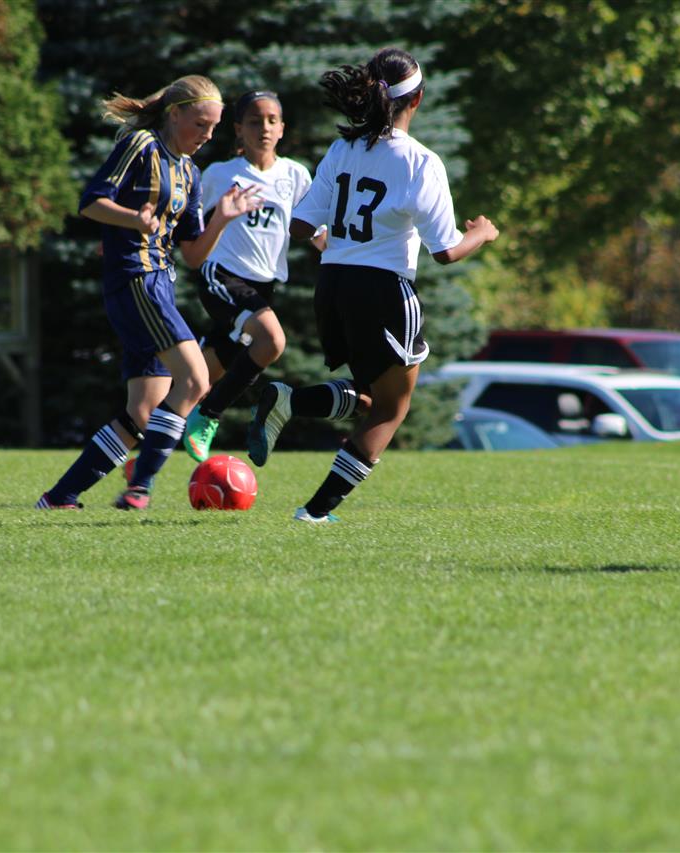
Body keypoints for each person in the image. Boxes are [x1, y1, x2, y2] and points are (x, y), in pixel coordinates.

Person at [253, 48, 500, 523]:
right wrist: (483, 233)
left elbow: (301, 227)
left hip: (332, 286)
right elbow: (446, 251)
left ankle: (290, 401)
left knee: (367, 397)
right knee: (390, 410)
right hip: (383, 291)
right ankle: (316, 512)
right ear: (418, 99)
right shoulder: (420, 161)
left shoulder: (343, 149)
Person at [35, 74, 259, 511]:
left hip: (159, 284)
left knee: (143, 412)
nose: (207, 135)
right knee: (195, 380)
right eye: (199, 124)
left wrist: (222, 218)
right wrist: (133, 220)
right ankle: (140, 487)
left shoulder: (190, 172)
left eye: (213, 128)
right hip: (136, 278)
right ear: (174, 115)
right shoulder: (141, 145)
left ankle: (60, 497)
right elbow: (91, 201)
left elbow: (192, 253)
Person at [180, 90, 320, 462]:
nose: (265, 128)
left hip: (263, 288)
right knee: (272, 341)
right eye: (255, 121)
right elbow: (187, 224)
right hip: (222, 278)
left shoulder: (295, 175)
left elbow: (316, 232)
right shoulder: (220, 174)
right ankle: (209, 415)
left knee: (195, 381)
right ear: (239, 129)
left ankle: (142, 459)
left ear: (283, 128)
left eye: (272, 121)